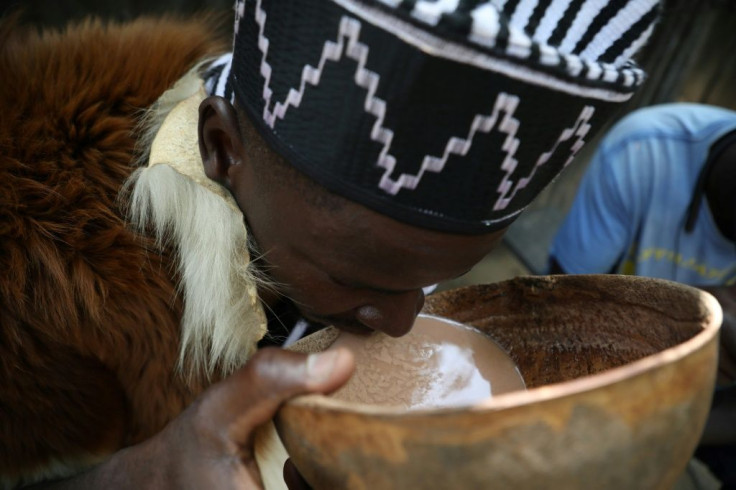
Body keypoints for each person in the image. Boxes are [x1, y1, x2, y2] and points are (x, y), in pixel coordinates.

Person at [0, 0, 663, 488]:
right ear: (220, 148)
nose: (405, 324)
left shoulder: (339, 232)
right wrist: (139, 478)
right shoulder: (36, 271)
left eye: (432, 277)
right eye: (363, 280)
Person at [548, 103, 736, 488]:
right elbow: (554, 315)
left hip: (705, 407)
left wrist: (669, 423)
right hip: (606, 374)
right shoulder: (643, 151)